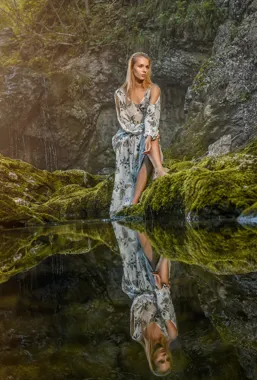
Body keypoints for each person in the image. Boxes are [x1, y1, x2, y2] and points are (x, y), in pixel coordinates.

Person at [112, 222, 178, 376]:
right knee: (139, 228)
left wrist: (133, 285)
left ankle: (125, 208)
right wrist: (158, 287)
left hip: (134, 285)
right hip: (155, 283)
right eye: (168, 358)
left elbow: (135, 305)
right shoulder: (171, 334)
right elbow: (166, 304)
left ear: (152, 360)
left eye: (161, 361)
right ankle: (137, 207)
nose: (164, 356)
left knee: (124, 237)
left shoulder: (136, 334)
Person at [109, 52, 169, 216]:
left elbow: (152, 115)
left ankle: (135, 201)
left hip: (147, 134)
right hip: (126, 137)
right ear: (132, 68)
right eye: (140, 66)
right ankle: (159, 168)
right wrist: (144, 133)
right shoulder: (120, 94)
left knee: (152, 133)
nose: (144, 70)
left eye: (147, 67)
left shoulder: (154, 89)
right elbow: (124, 122)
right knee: (150, 134)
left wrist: (148, 134)